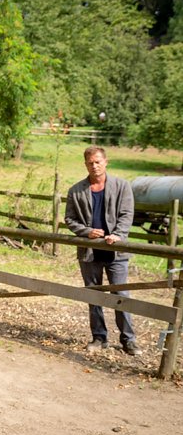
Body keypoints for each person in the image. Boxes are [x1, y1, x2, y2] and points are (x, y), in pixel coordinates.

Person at [65, 146, 141, 356]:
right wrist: (87, 232)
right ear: (85, 164)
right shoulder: (76, 190)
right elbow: (70, 219)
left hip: (115, 251)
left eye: (98, 161)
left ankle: (128, 340)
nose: (94, 166)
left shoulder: (122, 186)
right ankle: (99, 337)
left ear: (106, 162)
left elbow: (127, 214)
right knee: (94, 294)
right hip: (90, 252)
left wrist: (118, 235)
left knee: (121, 294)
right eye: (90, 162)